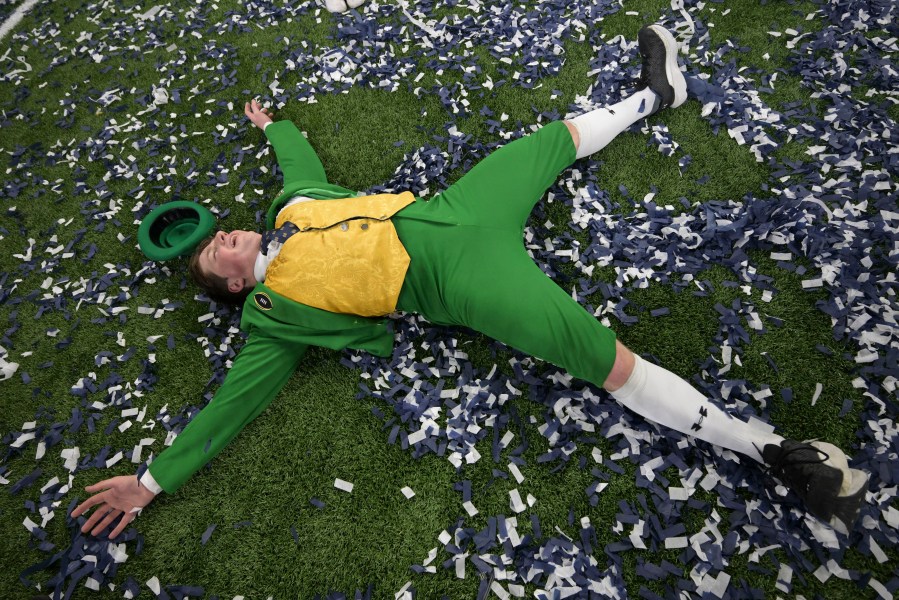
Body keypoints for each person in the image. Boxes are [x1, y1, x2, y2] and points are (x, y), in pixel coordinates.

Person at [71, 25, 867, 540]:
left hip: (457, 206)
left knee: (545, 141)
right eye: (217, 254)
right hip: (456, 279)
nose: (225, 236)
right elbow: (232, 401)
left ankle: (657, 93)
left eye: (220, 232)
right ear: (236, 287)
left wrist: (273, 127)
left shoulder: (292, 205)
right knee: (604, 360)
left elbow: (298, 167)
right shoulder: (273, 316)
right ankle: (766, 450)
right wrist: (150, 479)